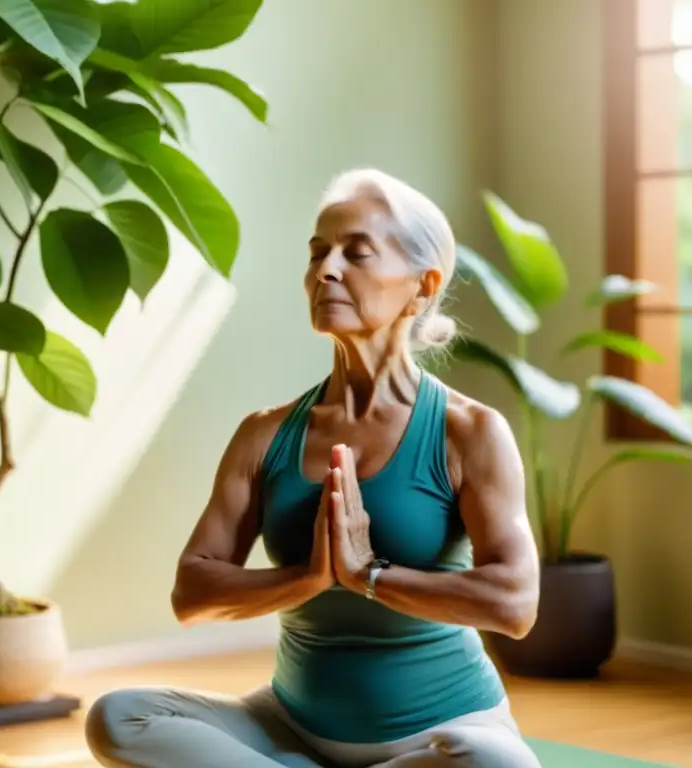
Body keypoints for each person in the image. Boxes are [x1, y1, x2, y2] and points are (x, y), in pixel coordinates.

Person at [85, 168, 543, 767]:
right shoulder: (265, 434)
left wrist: (369, 575)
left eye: (356, 254)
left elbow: (514, 603)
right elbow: (193, 591)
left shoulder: (469, 432)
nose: (326, 270)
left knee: (496, 764)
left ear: (421, 286)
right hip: (289, 730)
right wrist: (310, 578)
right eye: (318, 254)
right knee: (118, 718)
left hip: (439, 739)